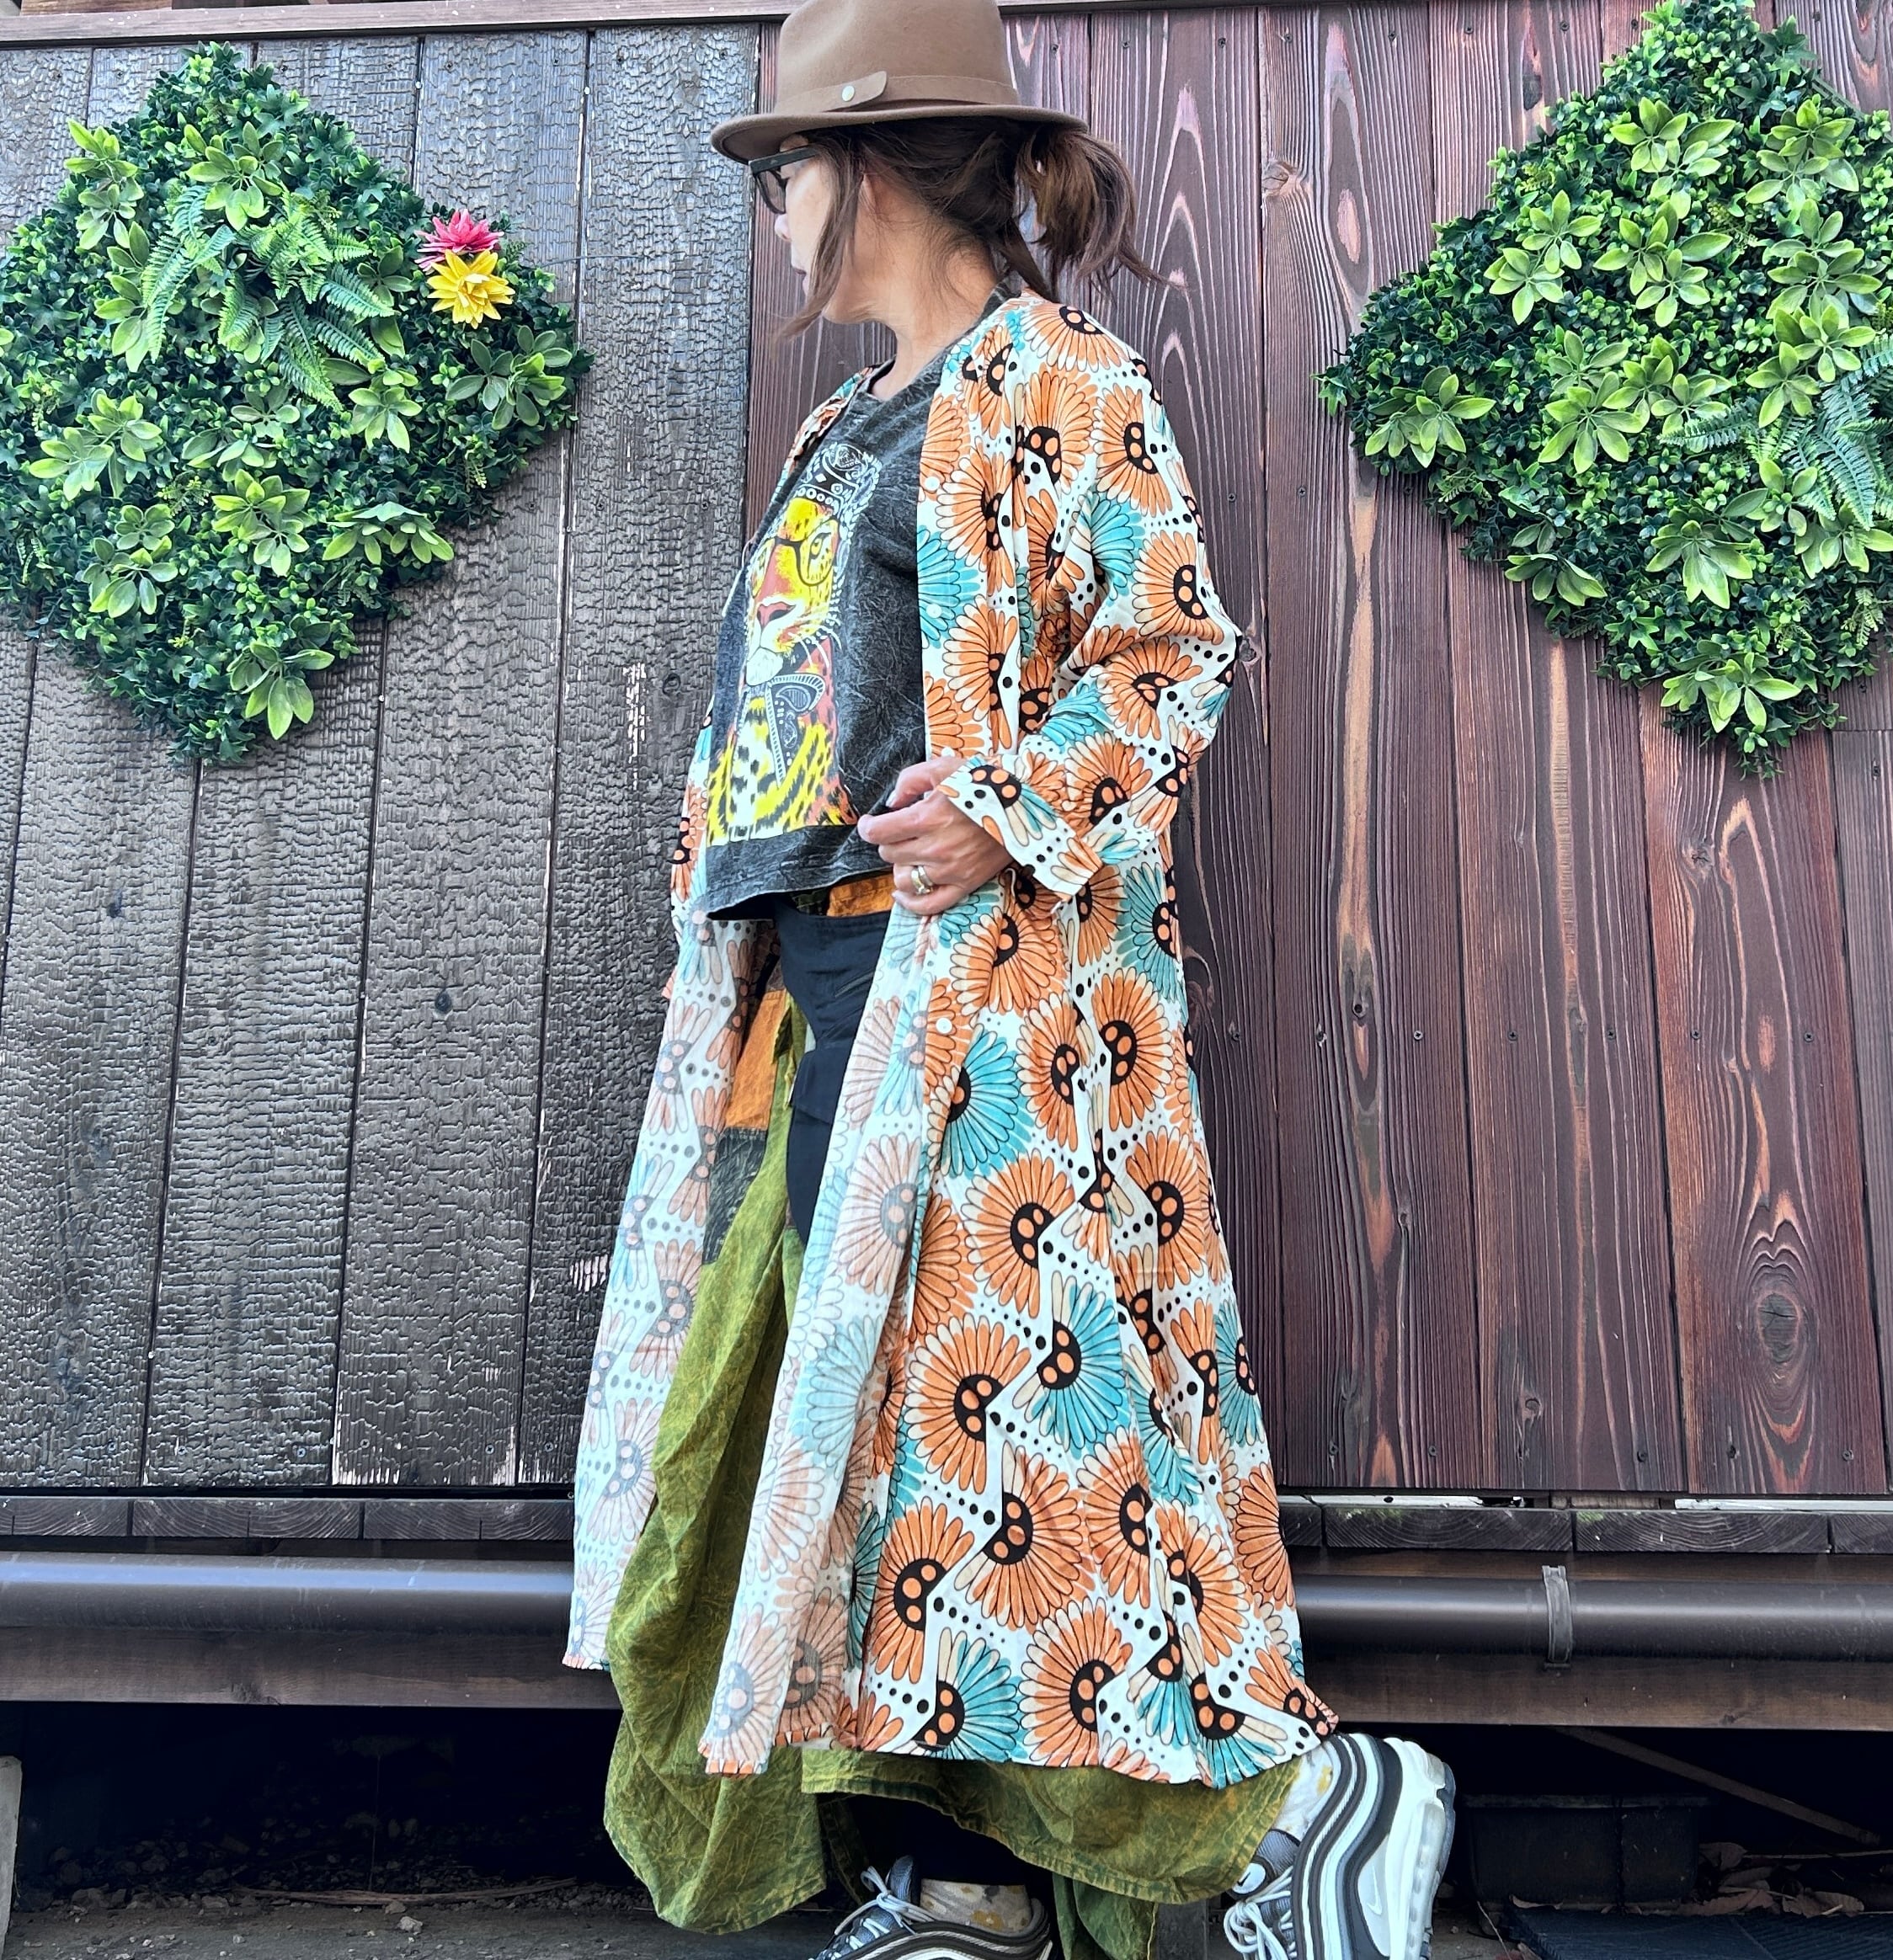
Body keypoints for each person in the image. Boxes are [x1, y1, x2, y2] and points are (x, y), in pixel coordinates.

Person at [566, 0, 1457, 1954]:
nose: (775, 208)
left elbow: (1169, 649)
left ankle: (1304, 1804)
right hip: (819, 1001)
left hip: (985, 1014)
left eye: (789, 168)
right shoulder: (850, 420)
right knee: (894, 1463)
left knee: (1035, 1444)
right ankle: (973, 1881)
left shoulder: (1057, 377)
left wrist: (1010, 806)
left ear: (873, 170)